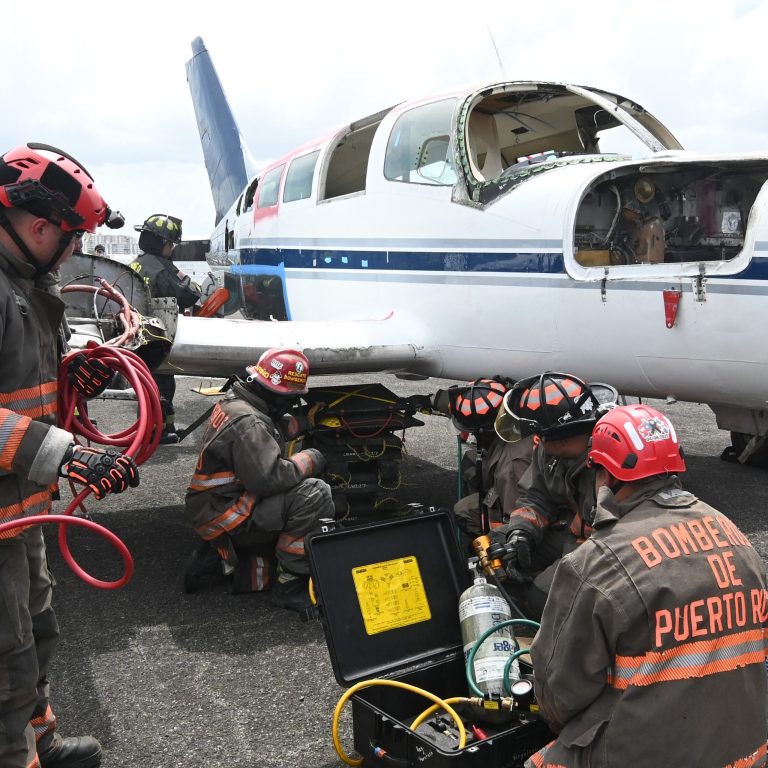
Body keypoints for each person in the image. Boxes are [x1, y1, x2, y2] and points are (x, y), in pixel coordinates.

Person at [525, 404, 768, 768]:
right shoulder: (735, 536)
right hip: (747, 749)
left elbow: (558, 697)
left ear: (605, 474)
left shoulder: (598, 562)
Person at [0, 143, 140, 768]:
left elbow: (20, 386)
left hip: (22, 509)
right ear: (37, 227)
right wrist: (66, 455)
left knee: (39, 632)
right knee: (6, 662)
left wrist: (67, 386)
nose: (76, 251)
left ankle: (42, 741)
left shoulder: (28, 284)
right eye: (72, 237)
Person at [184, 348, 334, 612]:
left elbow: (273, 427)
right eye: (289, 398)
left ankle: (217, 558)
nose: (291, 403)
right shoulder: (248, 422)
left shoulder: (239, 403)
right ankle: (289, 586)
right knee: (314, 494)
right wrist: (313, 457)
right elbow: (270, 478)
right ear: (272, 393)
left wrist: (308, 422)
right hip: (226, 514)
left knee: (297, 495)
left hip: (213, 507)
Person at [491, 372, 613, 619]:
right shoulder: (550, 452)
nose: (535, 440)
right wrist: (520, 534)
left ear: (560, 436)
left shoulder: (613, 455)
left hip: (610, 550)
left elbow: (621, 535)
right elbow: (537, 497)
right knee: (502, 558)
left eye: (539, 433)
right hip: (576, 535)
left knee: (540, 597)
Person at [435, 378, 534, 549]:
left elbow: (517, 520)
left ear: (484, 431)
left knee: (463, 511)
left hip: (514, 523)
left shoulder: (511, 468)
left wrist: (501, 546)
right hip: (500, 471)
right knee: (470, 460)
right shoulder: (510, 425)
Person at [130, 214, 200, 444]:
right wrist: (195, 285)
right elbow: (187, 295)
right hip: (157, 337)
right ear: (161, 243)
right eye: (170, 244)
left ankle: (161, 427)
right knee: (162, 383)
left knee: (147, 382)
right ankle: (157, 432)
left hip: (135, 335)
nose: (171, 249)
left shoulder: (135, 263)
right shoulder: (162, 267)